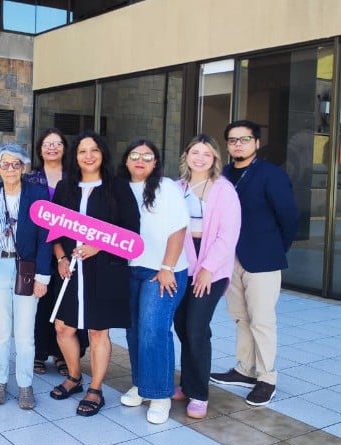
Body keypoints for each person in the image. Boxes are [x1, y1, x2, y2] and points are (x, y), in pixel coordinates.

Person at [49, 131, 140, 417]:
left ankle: (96, 388)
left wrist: (98, 246)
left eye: (94, 150)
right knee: (63, 328)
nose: (88, 156)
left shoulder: (118, 187)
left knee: (98, 331)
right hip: (71, 270)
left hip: (104, 270)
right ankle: (75, 377)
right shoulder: (66, 187)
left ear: (103, 154)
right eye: (82, 151)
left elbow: (131, 229)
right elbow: (54, 229)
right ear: (75, 156)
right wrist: (61, 257)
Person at [210, 120, 298, 406]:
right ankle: (245, 369)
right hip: (229, 258)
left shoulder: (272, 175)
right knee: (240, 316)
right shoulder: (222, 175)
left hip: (263, 259)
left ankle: (266, 378)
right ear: (227, 145)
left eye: (245, 139)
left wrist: (276, 249)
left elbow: (289, 217)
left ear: (256, 143)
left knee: (262, 320)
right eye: (233, 140)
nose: (238, 144)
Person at [117, 139, 189, 424]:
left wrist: (167, 266)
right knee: (134, 331)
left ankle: (160, 394)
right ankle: (141, 385)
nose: (140, 160)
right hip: (129, 270)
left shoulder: (166, 187)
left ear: (156, 162)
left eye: (147, 156)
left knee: (154, 330)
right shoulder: (119, 188)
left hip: (161, 271)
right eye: (134, 155)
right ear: (126, 160)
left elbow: (178, 229)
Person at [173, 134, 241, 418]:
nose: (200, 158)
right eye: (195, 152)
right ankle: (187, 384)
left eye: (206, 154)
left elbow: (228, 235)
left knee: (196, 327)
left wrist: (207, 269)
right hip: (181, 265)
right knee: (181, 324)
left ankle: (199, 394)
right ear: (187, 155)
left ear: (214, 159)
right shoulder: (177, 187)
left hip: (212, 267)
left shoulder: (224, 189)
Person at [0, 143, 51, 410]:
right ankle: (0, 381)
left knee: (24, 333)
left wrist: (43, 276)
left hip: (27, 269)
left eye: (16, 164)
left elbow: (46, 238)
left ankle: (25, 384)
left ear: (23, 167)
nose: (10, 169)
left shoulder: (37, 194)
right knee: (1, 331)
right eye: (4, 164)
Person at [24, 128, 87, 376]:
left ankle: (63, 354)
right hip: (38, 248)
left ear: (65, 148)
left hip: (69, 250)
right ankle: (39, 352)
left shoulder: (76, 177)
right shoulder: (30, 179)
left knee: (66, 302)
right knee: (41, 302)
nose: (52, 148)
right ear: (39, 149)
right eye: (47, 144)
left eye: (57, 143)